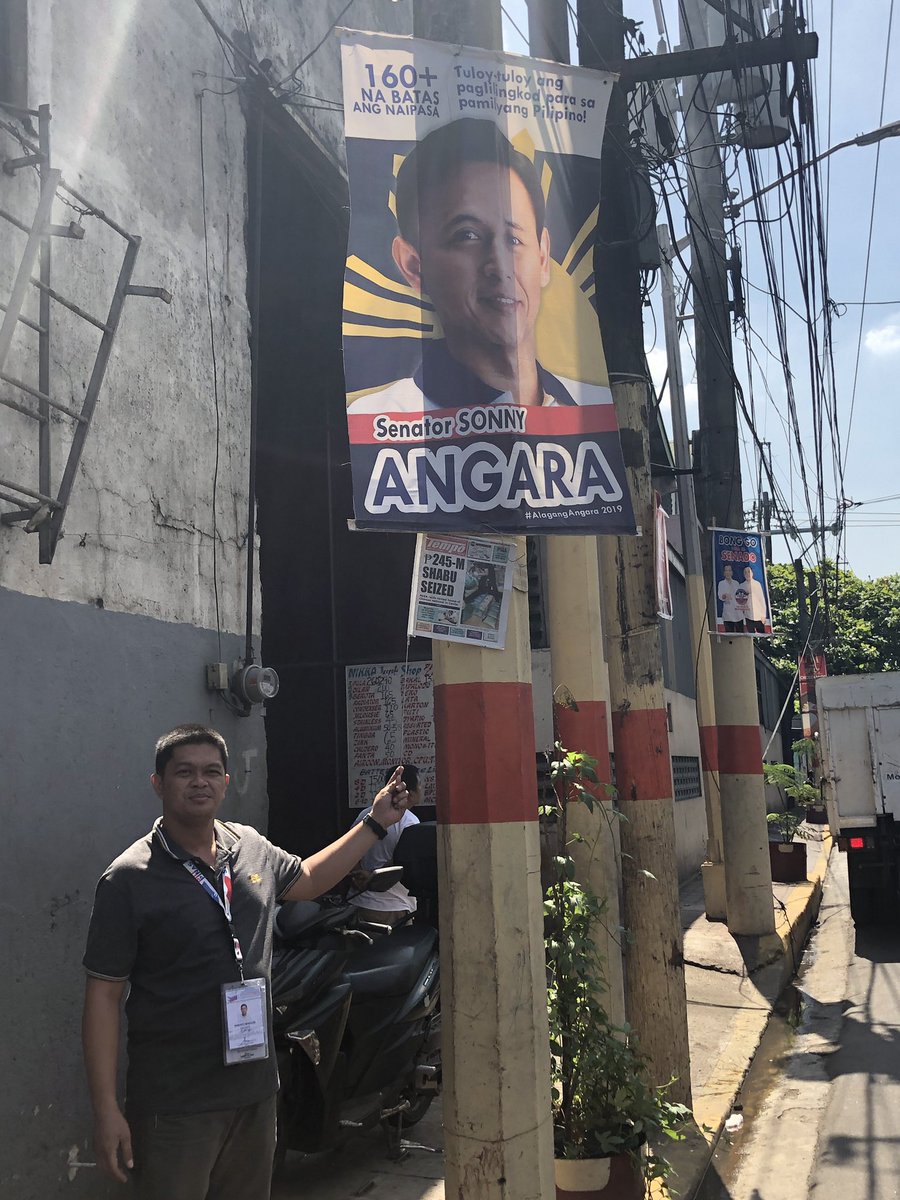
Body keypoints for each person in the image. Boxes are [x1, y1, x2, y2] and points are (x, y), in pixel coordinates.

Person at [81, 724, 409, 1200]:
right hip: (176, 1102)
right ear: (158, 783)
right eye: (184, 773)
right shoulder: (128, 878)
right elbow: (103, 996)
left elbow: (310, 879)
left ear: (226, 781)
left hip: (254, 1090)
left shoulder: (249, 846)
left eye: (212, 771)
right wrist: (106, 1109)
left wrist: (375, 823)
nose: (200, 782)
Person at [347, 118, 610, 414]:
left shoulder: (592, 411)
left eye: (514, 239)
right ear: (413, 265)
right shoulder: (381, 420)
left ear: (542, 257)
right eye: (467, 236)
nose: (499, 266)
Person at [348, 763, 421, 926]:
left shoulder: (365, 814)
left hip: (359, 904)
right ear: (410, 791)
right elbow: (403, 864)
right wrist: (372, 878)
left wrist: (360, 875)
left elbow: (350, 853)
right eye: (420, 784)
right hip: (393, 908)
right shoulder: (410, 821)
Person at [740, 564, 768, 633]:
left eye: (749, 572)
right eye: (745, 572)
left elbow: (761, 599)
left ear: (752, 573)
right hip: (747, 616)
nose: (747, 574)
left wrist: (763, 615)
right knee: (750, 635)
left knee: (762, 635)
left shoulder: (757, 584)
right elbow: (739, 601)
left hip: (758, 615)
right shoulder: (741, 585)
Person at [717, 563, 743, 633]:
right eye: (726, 571)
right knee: (729, 635)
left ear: (732, 572)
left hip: (738, 614)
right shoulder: (721, 583)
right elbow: (720, 596)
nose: (727, 572)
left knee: (740, 635)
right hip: (728, 614)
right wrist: (725, 596)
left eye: (729, 570)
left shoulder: (736, 583)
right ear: (724, 573)